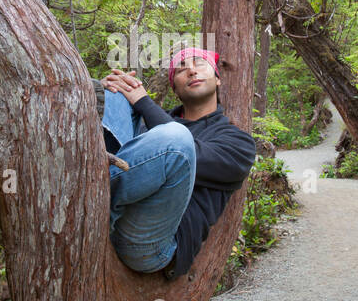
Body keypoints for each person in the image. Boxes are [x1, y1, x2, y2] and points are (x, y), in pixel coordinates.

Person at [96, 46, 257, 280]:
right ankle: (91, 200)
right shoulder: (148, 126)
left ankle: (90, 194)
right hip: (111, 216)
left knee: (177, 141)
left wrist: (143, 101)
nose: (191, 71)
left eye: (200, 64)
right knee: (112, 93)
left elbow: (189, 153)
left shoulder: (238, 142)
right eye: (181, 69)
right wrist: (104, 98)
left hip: (153, 243)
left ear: (218, 79)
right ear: (175, 89)